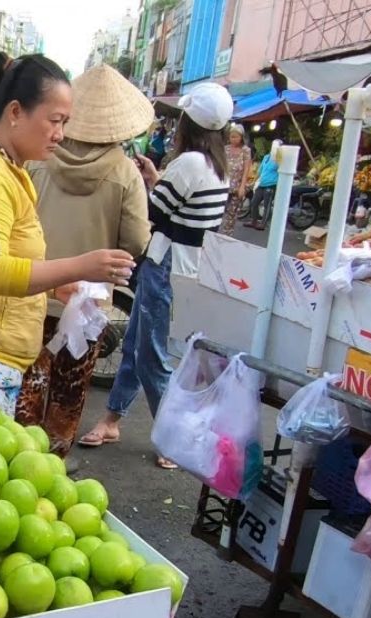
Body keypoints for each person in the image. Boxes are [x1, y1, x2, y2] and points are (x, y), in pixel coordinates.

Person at [0, 53, 137, 415]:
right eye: (54, 121)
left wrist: (55, 286)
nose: (60, 135)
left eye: (65, 123)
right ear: (14, 112)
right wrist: (80, 266)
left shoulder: (12, 172)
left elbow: (9, 259)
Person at [79, 82, 232, 467]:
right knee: (135, 343)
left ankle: (173, 438)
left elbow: (152, 217)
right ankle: (112, 419)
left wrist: (141, 187)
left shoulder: (190, 164)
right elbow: (179, 206)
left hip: (164, 265)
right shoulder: (216, 166)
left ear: (188, 125)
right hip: (186, 265)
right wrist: (156, 179)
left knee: (152, 355)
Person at [16, 64, 153, 460]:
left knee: (30, 383)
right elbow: (136, 241)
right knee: (69, 391)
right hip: (89, 300)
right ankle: (52, 464)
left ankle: (16, 461)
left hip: (36, 286)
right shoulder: (125, 173)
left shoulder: (39, 159)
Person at [220, 124, 251, 234]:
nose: (233, 139)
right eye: (231, 137)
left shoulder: (245, 150)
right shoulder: (225, 149)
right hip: (223, 184)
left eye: (236, 137)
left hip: (237, 185)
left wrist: (242, 186)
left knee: (232, 213)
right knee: (218, 209)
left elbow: (246, 169)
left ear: (241, 137)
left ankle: (226, 236)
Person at [245, 146, 278, 230]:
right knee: (254, 202)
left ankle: (263, 223)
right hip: (262, 183)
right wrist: (253, 182)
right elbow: (260, 170)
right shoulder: (266, 157)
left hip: (271, 184)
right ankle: (254, 221)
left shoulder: (279, 159)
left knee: (267, 204)